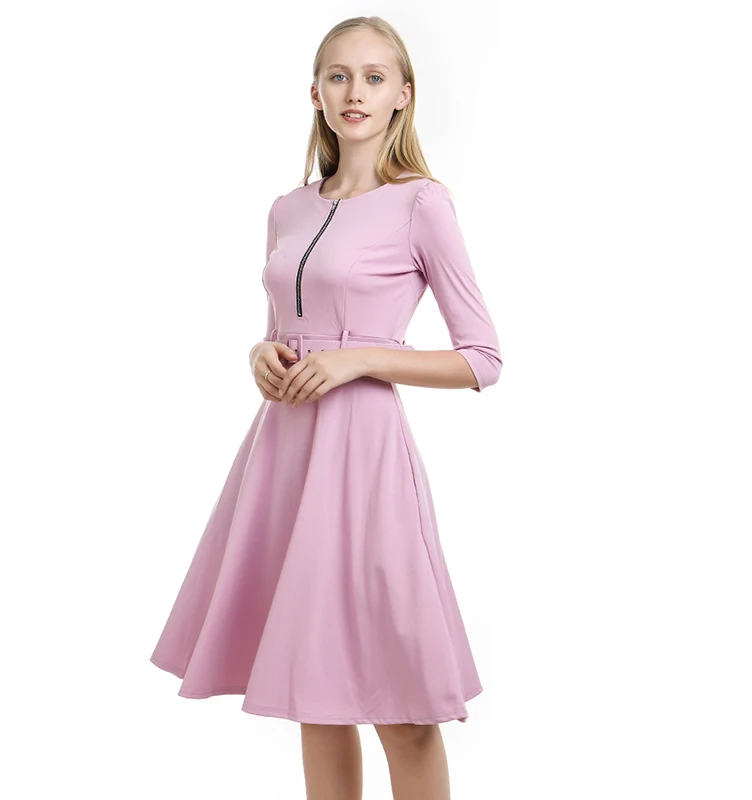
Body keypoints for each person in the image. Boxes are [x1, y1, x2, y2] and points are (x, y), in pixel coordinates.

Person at [150, 15, 503, 800]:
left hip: (364, 459)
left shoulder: (423, 205)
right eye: (339, 75)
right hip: (284, 453)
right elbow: (283, 328)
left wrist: (362, 357)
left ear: (403, 95)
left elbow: (483, 358)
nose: (355, 91)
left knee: (405, 711)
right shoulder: (288, 208)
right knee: (316, 693)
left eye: (375, 77)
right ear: (315, 92)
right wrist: (259, 354)